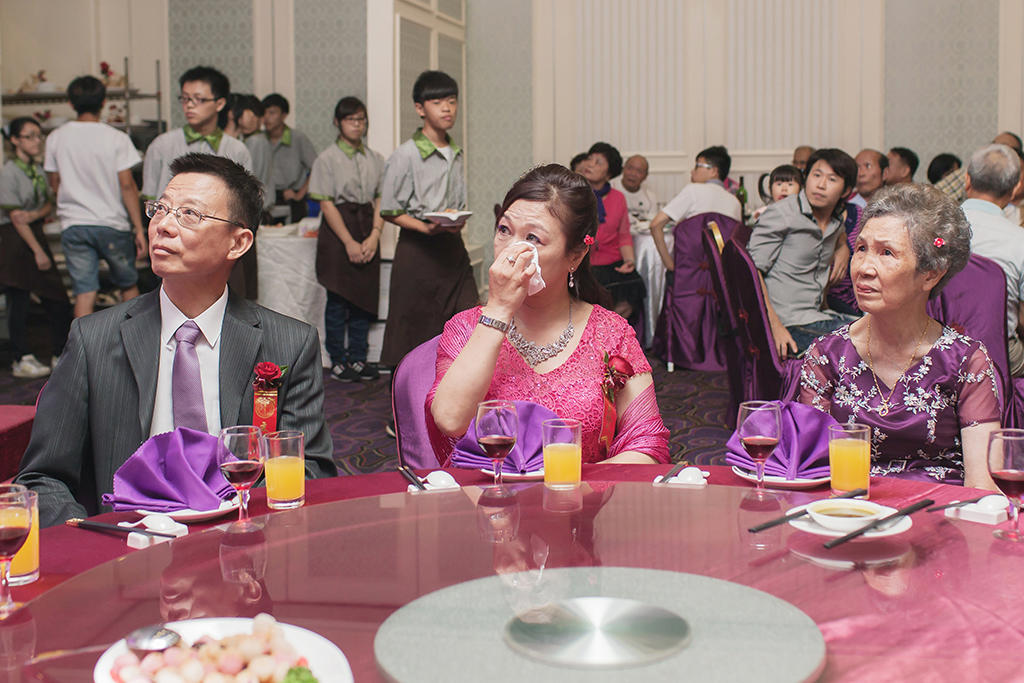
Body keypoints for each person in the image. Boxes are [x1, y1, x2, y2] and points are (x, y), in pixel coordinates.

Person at [16, 153, 336, 527]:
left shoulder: (289, 343)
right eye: (161, 209)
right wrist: (97, 541)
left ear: (238, 242)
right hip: (127, 544)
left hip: (244, 539)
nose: (164, 226)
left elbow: (310, 471)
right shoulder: (94, 339)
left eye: (189, 214)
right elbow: (43, 479)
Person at [427, 164, 669, 466]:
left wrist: (575, 483)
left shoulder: (611, 333)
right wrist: (499, 311)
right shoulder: (465, 328)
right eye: (504, 230)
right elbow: (449, 420)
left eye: (533, 238)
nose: (512, 251)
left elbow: (648, 443)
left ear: (575, 255)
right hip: (486, 493)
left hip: (579, 494)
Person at [800, 184, 1001, 488]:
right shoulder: (826, 356)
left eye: (887, 253)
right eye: (861, 249)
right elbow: (808, 471)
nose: (864, 268)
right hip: (849, 509)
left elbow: (982, 486)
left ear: (931, 274)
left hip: (939, 511)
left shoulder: (965, 362)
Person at [378, 70, 478, 368]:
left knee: (468, 318)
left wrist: (456, 220)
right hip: (418, 250)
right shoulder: (405, 155)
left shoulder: (455, 152)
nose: (447, 108)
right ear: (420, 108)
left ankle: (458, 389)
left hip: (451, 247)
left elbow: (456, 202)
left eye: (452, 101)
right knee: (414, 330)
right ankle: (408, 393)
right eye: (437, 102)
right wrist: (425, 226)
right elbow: (389, 209)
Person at [43, 75, 145, 319]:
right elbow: (127, 185)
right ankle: (136, 341)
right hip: (112, 224)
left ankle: (81, 344)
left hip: (74, 224)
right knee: (128, 286)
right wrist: (139, 229)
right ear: (103, 102)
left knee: (84, 292)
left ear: (70, 103)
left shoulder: (56, 137)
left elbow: (54, 184)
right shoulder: (116, 137)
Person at [748, 148, 859, 357]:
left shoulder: (835, 221)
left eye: (832, 179)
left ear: (846, 191)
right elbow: (751, 272)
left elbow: (837, 233)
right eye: (816, 175)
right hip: (787, 322)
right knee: (868, 344)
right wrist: (775, 327)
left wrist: (842, 247)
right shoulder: (782, 214)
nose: (820, 185)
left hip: (817, 315)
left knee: (880, 329)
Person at [308, 96, 386, 383]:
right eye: (351, 119)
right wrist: (349, 242)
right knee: (338, 299)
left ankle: (359, 357)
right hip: (338, 230)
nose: (357, 125)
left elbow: (381, 199)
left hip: (367, 225)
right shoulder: (326, 159)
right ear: (338, 123)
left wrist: (375, 235)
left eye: (361, 119)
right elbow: (326, 204)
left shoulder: (376, 159)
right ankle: (338, 360)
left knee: (364, 298)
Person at [0, 117, 71, 377]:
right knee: (18, 298)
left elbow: (46, 204)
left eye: (39, 135)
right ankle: (21, 358)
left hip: (33, 232)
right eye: (29, 136)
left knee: (57, 297)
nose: (37, 141)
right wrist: (38, 250)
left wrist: (34, 214)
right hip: (15, 239)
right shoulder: (9, 173)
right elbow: (16, 218)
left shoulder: (36, 170)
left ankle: (59, 352)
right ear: (15, 140)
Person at [142, 66, 252, 202]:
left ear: (220, 104)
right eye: (185, 98)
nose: (189, 105)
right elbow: (150, 195)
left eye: (198, 99)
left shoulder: (236, 149)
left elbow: (244, 200)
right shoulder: (163, 144)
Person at [960, 144, 1024, 377]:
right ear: (1015, 189)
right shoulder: (1020, 241)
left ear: (967, 180)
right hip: (998, 357)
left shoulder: (933, 230)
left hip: (936, 352)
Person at [647, 145, 741, 272]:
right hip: (722, 275)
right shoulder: (735, 202)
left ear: (714, 171)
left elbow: (655, 224)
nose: (692, 171)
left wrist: (670, 265)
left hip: (689, 273)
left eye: (697, 166)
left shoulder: (693, 190)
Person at [579, 141, 645, 322]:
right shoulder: (576, 194)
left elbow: (624, 235)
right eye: (590, 159)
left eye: (598, 162)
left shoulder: (618, 198)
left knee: (633, 292)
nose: (590, 164)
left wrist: (629, 261)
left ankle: (606, 332)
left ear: (609, 173)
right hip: (584, 263)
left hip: (612, 263)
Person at [612, 154, 662, 341]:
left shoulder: (650, 197)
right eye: (630, 168)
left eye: (639, 171)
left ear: (645, 176)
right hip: (614, 249)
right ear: (623, 169)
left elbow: (652, 222)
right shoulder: (612, 190)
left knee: (638, 289)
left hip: (637, 247)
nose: (632, 174)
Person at [262, 93, 317, 224]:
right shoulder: (260, 139)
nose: (267, 117)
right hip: (266, 200)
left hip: (291, 200)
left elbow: (316, 168)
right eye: (264, 113)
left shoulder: (297, 138)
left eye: (272, 113)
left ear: (284, 115)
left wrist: (299, 194)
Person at [937, 131, 1023, 204]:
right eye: (993, 145)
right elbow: (935, 198)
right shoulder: (971, 171)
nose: (995, 152)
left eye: (1003, 148)